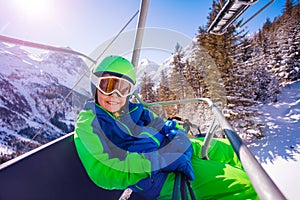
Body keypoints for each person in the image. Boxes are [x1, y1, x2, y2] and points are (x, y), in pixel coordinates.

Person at [74, 55, 258, 199]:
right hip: (156, 176)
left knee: (231, 150)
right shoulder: (89, 123)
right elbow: (106, 171)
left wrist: (176, 134)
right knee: (245, 186)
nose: (114, 95)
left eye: (123, 89)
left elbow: (160, 124)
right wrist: (160, 160)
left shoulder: (134, 110)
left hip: (172, 150)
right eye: (107, 86)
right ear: (95, 86)